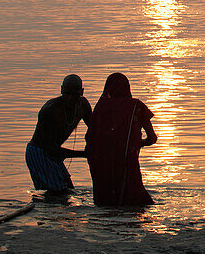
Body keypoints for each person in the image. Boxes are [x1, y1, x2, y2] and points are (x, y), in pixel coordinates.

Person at [85, 73, 157, 206]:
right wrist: (135, 144)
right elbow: (152, 138)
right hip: (127, 162)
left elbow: (90, 137)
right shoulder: (137, 106)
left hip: (102, 163)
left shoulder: (100, 107)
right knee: (136, 202)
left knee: (105, 204)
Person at [25, 74, 92, 194]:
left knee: (69, 189)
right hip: (39, 152)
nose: (70, 98)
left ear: (81, 92)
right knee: (58, 193)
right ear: (61, 90)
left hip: (55, 151)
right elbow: (50, 149)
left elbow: (94, 129)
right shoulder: (50, 110)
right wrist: (84, 154)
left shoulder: (83, 106)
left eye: (75, 94)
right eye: (67, 94)